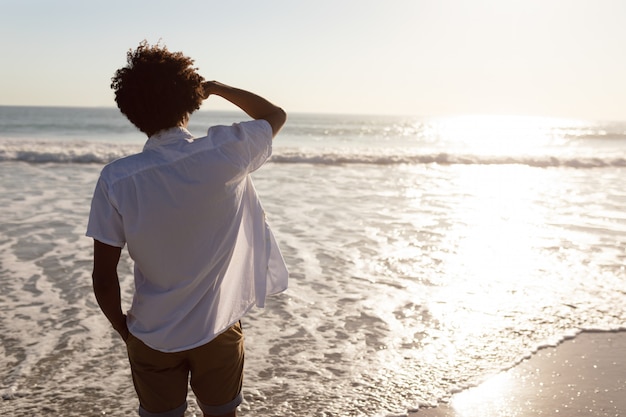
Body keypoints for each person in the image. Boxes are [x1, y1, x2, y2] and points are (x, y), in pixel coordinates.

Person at [86, 41, 288, 417]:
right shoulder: (227, 151)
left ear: (131, 112)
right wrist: (214, 88)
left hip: (151, 333)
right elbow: (273, 114)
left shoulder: (117, 178)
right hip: (217, 327)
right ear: (190, 100)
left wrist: (126, 333)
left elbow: (103, 274)